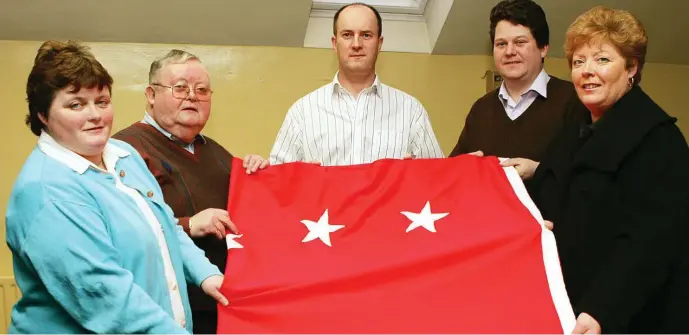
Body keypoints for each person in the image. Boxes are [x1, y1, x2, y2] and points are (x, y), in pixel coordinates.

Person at [5, 40, 228, 334]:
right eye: (76, 105)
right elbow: (109, 298)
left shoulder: (124, 155)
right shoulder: (47, 191)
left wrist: (208, 276)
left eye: (102, 101)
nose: (95, 115)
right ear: (43, 115)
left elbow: (165, 226)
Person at [520, 7, 688, 333]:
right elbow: (548, 190)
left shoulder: (659, 140)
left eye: (602, 60)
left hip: (623, 316)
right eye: (578, 62)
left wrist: (601, 310)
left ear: (632, 68)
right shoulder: (574, 127)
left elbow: (651, 243)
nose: (587, 72)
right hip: (566, 301)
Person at [112, 49, 267, 334]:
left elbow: (248, 212)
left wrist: (259, 176)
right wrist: (189, 225)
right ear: (151, 94)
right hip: (166, 311)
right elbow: (122, 233)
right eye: (180, 88)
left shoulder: (215, 151)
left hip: (223, 304)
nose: (193, 96)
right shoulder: (124, 151)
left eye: (202, 89)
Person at [269, 2, 444, 166]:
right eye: (347, 35)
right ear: (334, 43)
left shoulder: (411, 111)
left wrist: (469, 165)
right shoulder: (302, 113)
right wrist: (257, 170)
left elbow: (439, 178)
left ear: (379, 43)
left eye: (366, 35)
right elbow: (278, 181)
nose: (356, 44)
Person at [449, 0, 586, 162]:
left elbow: (589, 175)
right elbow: (452, 171)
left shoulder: (575, 99)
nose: (509, 52)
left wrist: (538, 171)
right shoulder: (481, 109)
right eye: (501, 44)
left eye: (520, 42)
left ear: (543, 49)